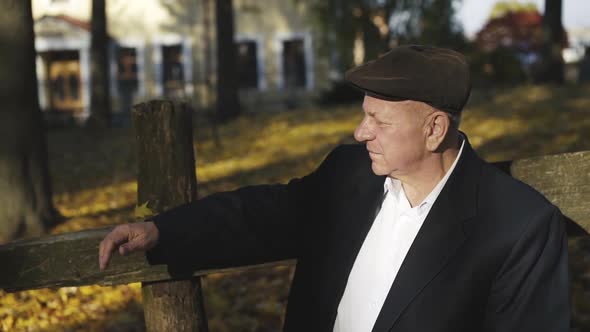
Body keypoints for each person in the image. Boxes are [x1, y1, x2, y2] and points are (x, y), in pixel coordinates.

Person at [98, 45, 570, 331]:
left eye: (378, 120)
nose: (360, 132)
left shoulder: (519, 228)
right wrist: (162, 231)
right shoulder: (350, 175)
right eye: (364, 115)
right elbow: (263, 214)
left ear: (434, 130)